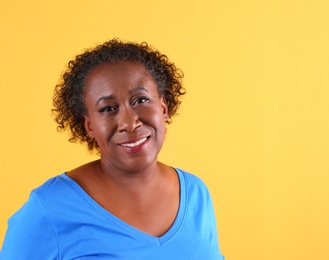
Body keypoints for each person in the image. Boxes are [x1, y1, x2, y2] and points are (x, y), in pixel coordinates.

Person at [0, 39, 224, 259]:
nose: (129, 122)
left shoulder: (196, 193)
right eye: (108, 108)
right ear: (89, 126)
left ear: (163, 108)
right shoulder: (48, 210)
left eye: (140, 100)